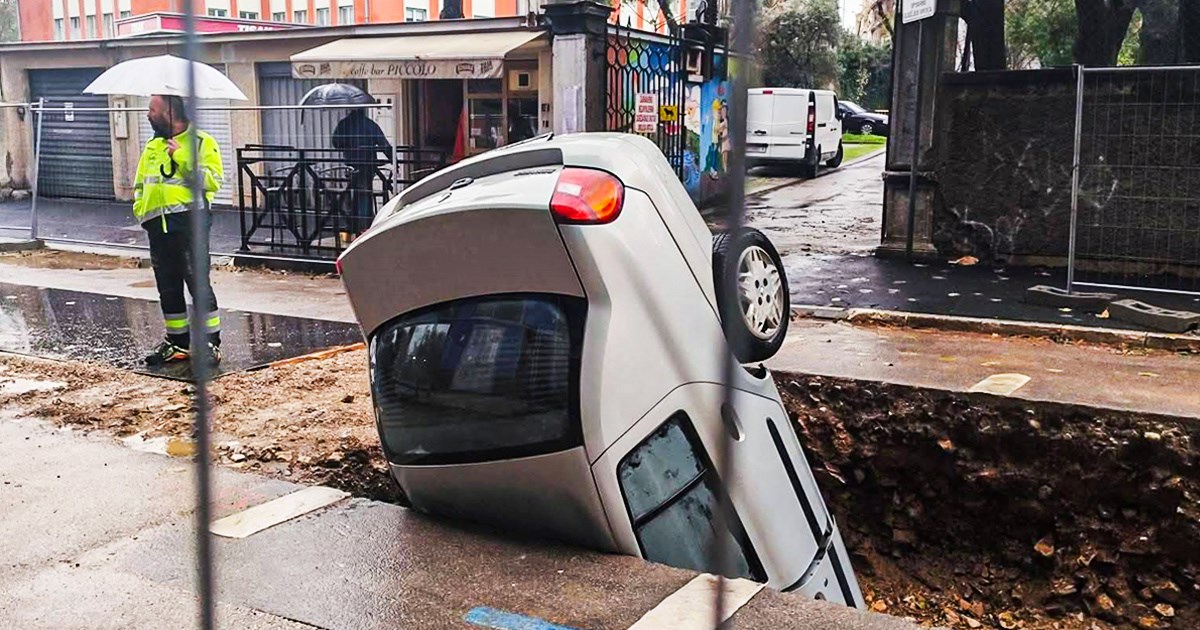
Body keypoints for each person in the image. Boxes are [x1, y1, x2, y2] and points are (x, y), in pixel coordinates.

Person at [134, 94, 224, 366]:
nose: (148, 115)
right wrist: (140, 210)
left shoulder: (201, 142)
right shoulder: (153, 145)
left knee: (197, 283)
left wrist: (182, 156)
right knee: (168, 287)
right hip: (157, 226)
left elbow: (212, 181)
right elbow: (140, 183)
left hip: (189, 224)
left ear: (170, 113)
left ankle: (210, 344)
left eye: (152, 110)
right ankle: (178, 344)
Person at [332, 108, 393, 233]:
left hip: (350, 164)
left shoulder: (344, 124)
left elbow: (336, 142)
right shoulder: (369, 124)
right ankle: (365, 227)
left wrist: (348, 144)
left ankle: (353, 224)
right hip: (367, 163)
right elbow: (383, 144)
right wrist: (393, 159)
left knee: (352, 194)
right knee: (365, 194)